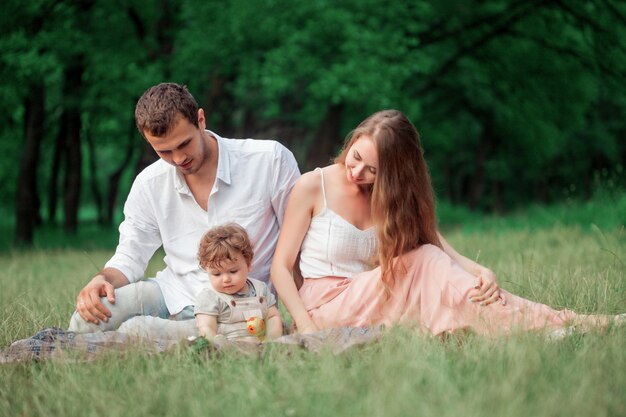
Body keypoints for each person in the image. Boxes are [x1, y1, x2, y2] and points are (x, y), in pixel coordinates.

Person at [271, 109, 623, 337]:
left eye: (372, 170)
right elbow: (281, 269)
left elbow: (436, 246)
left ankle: (571, 321)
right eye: (356, 156)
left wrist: (479, 269)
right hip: (326, 308)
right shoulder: (312, 185)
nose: (357, 171)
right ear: (352, 141)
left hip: (370, 295)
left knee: (446, 278)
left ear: (391, 175)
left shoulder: (389, 199)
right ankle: (539, 329)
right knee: (423, 263)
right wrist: (304, 324)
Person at [68, 83, 300, 338]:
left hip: (237, 309)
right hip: (173, 294)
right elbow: (131, 254)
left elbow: (302, 246)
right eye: (164, 151)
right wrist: (104, 279)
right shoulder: (149, 183)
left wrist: (305, 316)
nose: (178, 159)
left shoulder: (269, 161)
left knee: (137, 332)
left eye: (184, 144)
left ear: (200, 120)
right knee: (87, 319)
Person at [194, 223, 282, 341]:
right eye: (216, 274)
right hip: (228, 348)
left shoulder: (260, 289)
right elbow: (206, 327)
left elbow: (272, 316)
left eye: (233, 271)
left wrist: (271, 341)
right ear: (207, 270)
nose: (226, 279)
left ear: (248, 264)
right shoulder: (209, 297)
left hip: (261, 345)